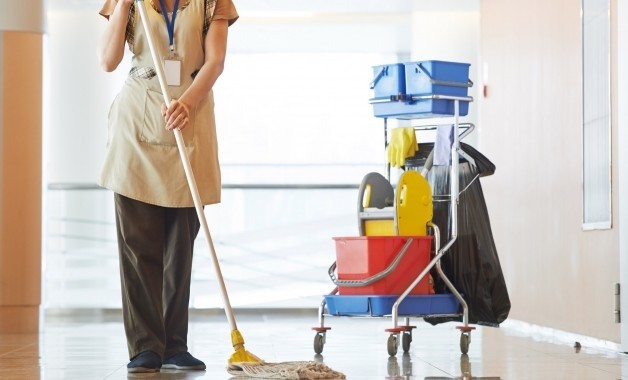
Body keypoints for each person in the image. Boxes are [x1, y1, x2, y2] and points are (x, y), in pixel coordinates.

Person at [96, 0, 238, 373]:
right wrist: (125, 5)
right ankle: (146, 345)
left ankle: (175, 345)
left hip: (190, 117)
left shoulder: (213, 2)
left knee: (180, 247)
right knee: (138, 246)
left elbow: (216, 61)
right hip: (138, 123)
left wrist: (188, 103)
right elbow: (108, 60)